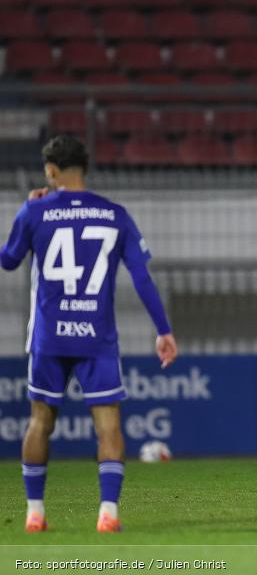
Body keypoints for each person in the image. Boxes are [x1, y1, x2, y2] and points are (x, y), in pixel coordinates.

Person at [0, 136, 177, 533]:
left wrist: (26, 210)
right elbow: (142, 277)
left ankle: (35, 513)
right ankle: (108, 513)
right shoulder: (114, 215)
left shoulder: (35, 211)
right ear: (86, 168)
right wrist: (163, 330)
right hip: (96, 336)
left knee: (39, 422)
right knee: (109, 425)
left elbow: (8, 260)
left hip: (49, 335)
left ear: (51, 170)